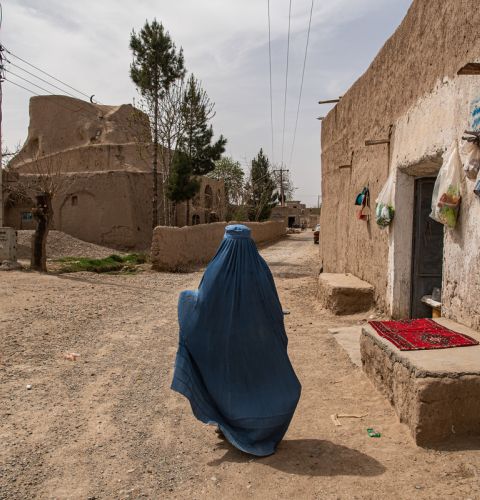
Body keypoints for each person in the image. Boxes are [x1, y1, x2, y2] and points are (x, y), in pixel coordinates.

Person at [171, 224, 301, 457]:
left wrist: (185, 300)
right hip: (256, 342)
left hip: (224, 342)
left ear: (225, 241)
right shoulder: (260, 268)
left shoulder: (216, 268)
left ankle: (228, 422)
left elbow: (202, 304)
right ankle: (257, 427)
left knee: (226, 380)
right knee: (255, 379)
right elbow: (273, 308)